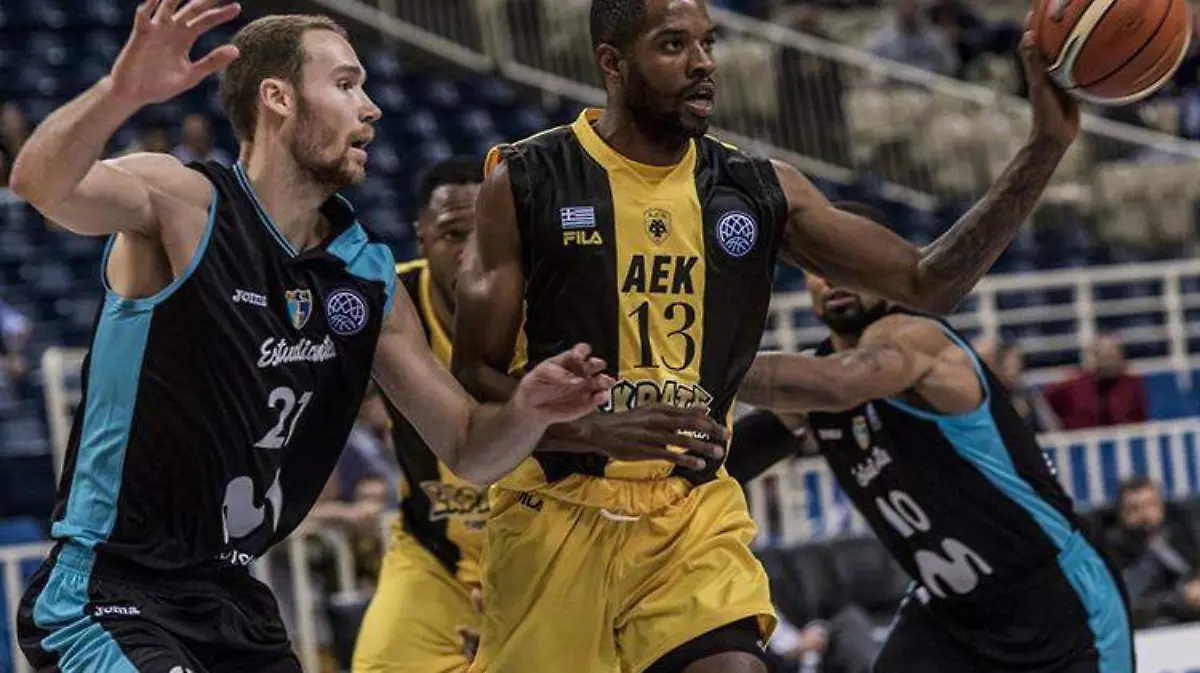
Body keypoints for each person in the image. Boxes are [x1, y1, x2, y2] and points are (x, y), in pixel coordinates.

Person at [6, 4, 690, 671]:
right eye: (345, 84)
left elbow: (467, 447)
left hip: (231, 601)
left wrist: (529, 410)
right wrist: (120, 92)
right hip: (111, 592)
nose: (372, 108)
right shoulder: (182, 203)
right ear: (278, 98)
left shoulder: (365, 273)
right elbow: (39, 183)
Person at [451, 0, 1078, 669]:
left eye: (708, 43)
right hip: (552, 510)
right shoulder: (528, 179)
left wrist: (1044, 146)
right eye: (673, 45)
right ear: (612, 62)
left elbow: (928, 282)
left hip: (687, 517)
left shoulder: (757, 188)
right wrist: (593, 429)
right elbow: (473, 379)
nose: (703, 63)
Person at [734, 262, 1133, 671]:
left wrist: (711, 362)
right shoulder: (812, 391)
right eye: (817, 268)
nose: (833, 277)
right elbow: (733, 459)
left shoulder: (915, 339)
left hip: (1053, 597)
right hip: (952, 610)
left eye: (843, 262)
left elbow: (837, 383)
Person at [1105, 476, 1200, 627]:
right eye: (1135, 509)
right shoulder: (1114, 550)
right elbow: (1131, 602)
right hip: (1156, 627)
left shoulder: (1182, 532)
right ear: (1121, 514)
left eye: (1151, 505)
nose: (1145, 515)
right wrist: (1182, 597)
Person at [1045, 333, 1149, 430]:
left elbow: (1140, 421)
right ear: (1094, 357)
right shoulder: (1071, 386)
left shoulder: (1132, 384)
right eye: (1105, 356)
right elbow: (1044, 406)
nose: (1109, 362)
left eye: (1113, 356)